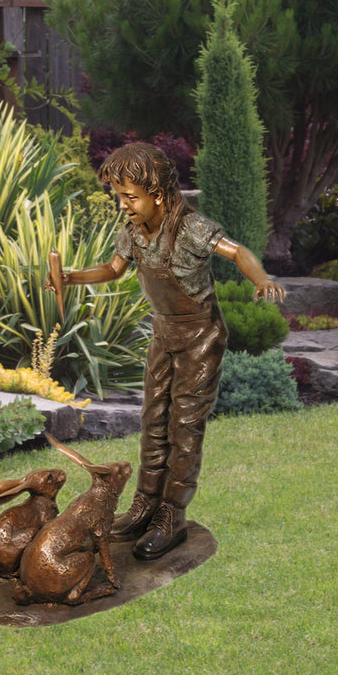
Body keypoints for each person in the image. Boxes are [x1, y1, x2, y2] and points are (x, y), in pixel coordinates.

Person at [46, 142, 285, 560]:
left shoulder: (191, 228)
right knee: (154, 418)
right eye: (118, 196)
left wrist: (260, 278)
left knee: (184, 424)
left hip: (200, 336)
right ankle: (145, 505)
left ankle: (171, 513)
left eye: (129, 196)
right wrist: (70, 276)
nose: (122, 204)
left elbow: (237, 252)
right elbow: (112, 269)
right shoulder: (134, 230)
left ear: (157, 192)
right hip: (164, 333)